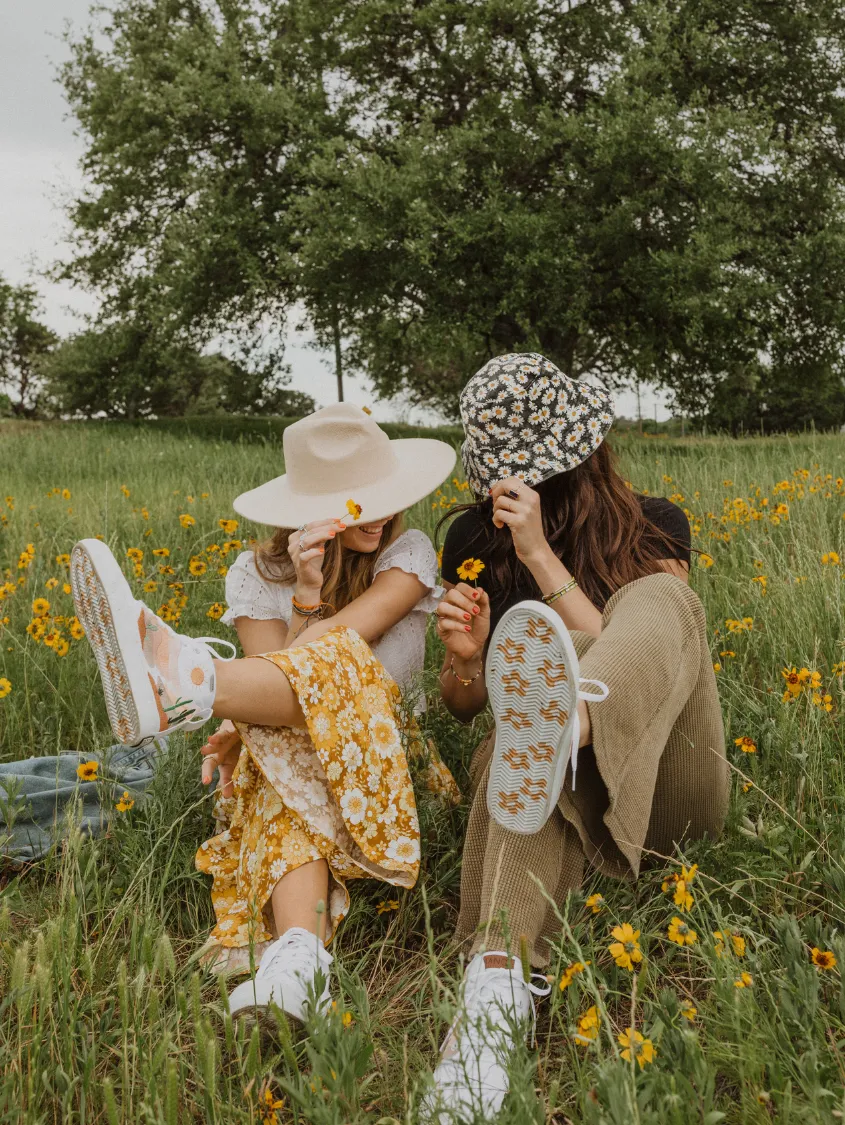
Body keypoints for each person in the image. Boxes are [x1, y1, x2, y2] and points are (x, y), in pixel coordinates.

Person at [70, 402, 457, 1023]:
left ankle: (190, 684)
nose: (379, 514)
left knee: (340, 670)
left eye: (381, 495)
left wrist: (234, 709)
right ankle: (298, 966)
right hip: (295, 756)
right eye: (355, 500)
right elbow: (276, 697)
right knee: (291, 755)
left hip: (392, 762)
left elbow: (337, 650)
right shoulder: (254, 574)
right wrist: (301, 592)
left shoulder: (406, 554)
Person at [425, 353, 728, 1119]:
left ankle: (572, 720)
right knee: (511, 744)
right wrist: (464, 665)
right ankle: (494, 1002)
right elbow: (464, 707)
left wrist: (537, 555)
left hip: (669, 785)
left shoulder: (653, 522)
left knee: (653, 599)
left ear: (583, 454)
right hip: (553, 797)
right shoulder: (470, 536)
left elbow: (639, 658)